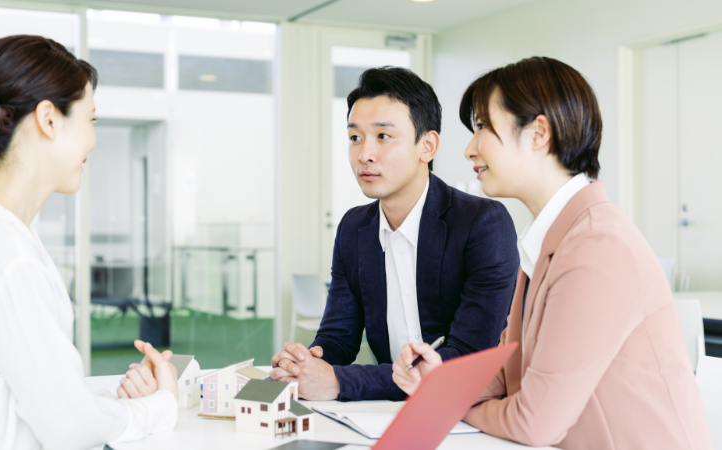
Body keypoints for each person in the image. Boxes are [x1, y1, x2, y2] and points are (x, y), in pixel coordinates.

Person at [391, 57, 713, 449]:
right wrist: (440, 381)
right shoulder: (552, 241)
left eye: (482, 127)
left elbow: (533, 423)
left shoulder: (597, 247)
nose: (470, 149)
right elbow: (510, 372)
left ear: (539, 133)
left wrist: (449, 403)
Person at [0, 35, 179, 449]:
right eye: (91, 119)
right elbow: (70, 429)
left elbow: (22, 397)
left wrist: (111, 407)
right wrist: (160, 405)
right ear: (49, 119)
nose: (92, 139)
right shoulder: (6, 256)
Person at [270, 67, 520, 401]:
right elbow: (338, 338)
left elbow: (467, 358)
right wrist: (306, 363)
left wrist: (340, 382)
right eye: (355, 137)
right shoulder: (353, 228)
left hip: (469, 416)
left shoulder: (482, 223)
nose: (364, 154)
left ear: (427, 146)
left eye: (383, 137)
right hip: (386, 415)